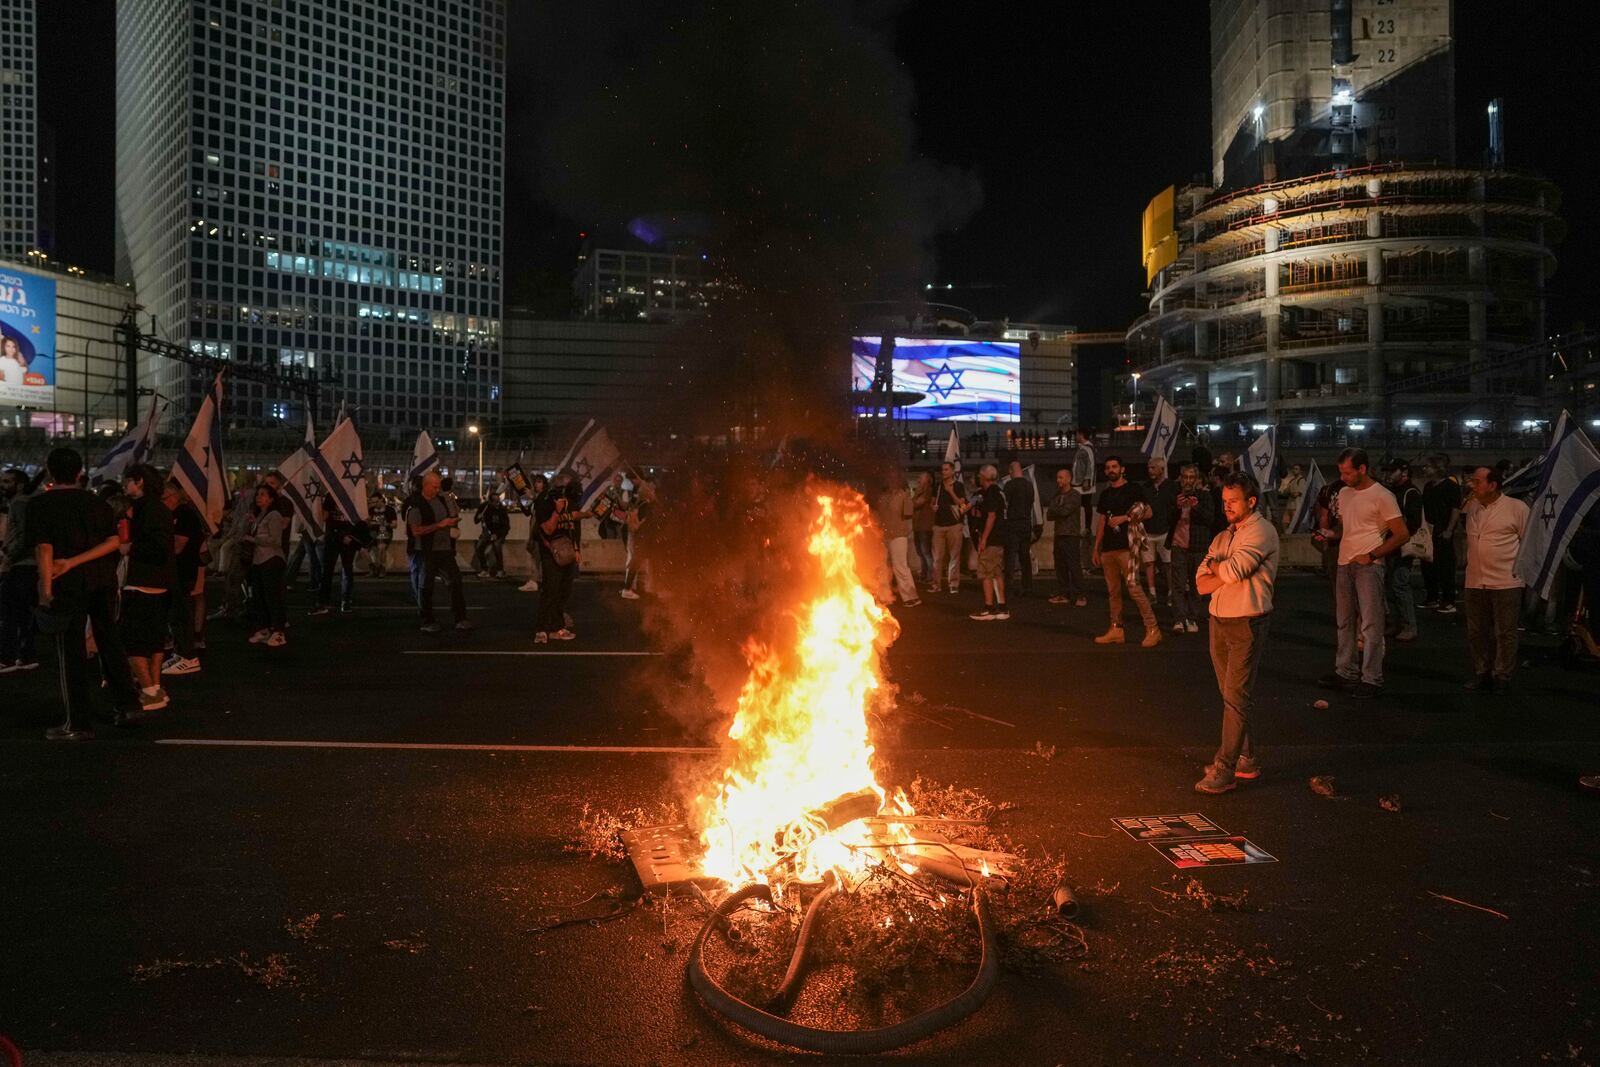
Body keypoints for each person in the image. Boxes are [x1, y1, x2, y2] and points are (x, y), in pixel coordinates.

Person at [26, 447, 142, 736]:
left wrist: (46, 588)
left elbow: (44, 549)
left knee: (71, 651)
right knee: (109, 642)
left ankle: (77, 722)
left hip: (68, 586)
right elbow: (112, 542)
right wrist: (78, 561)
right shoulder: (97, 504)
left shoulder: (41, 505)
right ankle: (127, 705)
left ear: (51, 472)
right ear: (80, 473)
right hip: (102, 581)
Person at [1190, 474, 1279, 793]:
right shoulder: (1224, 536)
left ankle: (1225, 768)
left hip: (1247, 621)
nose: (1226, 506)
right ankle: (1247, 758)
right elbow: (1200, 582)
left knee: (1236, 698)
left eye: (1233, 501)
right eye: (1224, 501)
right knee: (1232, 697)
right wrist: (1220, 570)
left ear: (1251, 501)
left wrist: (1219, 569)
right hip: (1219, 619)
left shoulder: (1262, 532)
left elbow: (1232, 570)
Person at [1319, 448, 1409, 699]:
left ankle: (1371, 677)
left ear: (1362, 469)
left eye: (1347, 472)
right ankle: (1345, 670)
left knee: (1371, 624)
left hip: (1369, 565)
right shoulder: (1345, 494)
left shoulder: (1382, 495)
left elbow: (1401, 533)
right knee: (1344, 620)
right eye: (1341, 472)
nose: (1343, 477)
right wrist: (1331, 534)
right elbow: (1347, 527)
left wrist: (1373, 555)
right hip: (1345, 562)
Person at [1462, 466, 1530, 693]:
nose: (1473, 485)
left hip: (1506, 581)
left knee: (1505, 631)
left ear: (1493, 485)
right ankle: (1482, 672)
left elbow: (1527, 542)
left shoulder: (1516, 508)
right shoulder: (1472, 507)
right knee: (1477, 631)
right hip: (1475, 580)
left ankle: (1502, 675)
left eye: (1477, 481)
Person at [119, 464, 175, 713]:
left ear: (139, 481)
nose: (124, 485)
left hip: (141, 581)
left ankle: (149, 690)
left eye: (127, 480)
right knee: (153, 640)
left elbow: (158, 547)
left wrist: (129, 547)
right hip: (158, 583)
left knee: (133, 640)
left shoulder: (146, 509)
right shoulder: (159, 508)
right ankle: (155, 687)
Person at [1092, 456, 1161, 647]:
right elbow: (1102, 521)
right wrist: (1096, 547)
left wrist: (1125, 518)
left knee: (1134, 589)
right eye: (1108, 467)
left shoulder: (1134, 489)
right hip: (1108, 549)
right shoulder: (1105, 494)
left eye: (1114, 466)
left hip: (1127, 547)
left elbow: (1148, 512)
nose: (1111, 470)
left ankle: (1153, 628)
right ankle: (1116, 629)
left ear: (1122, 469)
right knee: (1113, 592)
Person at [407, 471, 471, 633]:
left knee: (455, 582)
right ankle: (427, 620)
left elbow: (450, 514)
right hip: (426, 551)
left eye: (439, 486)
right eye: (434, 487)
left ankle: (460, 617)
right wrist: (439, 525)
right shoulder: (416, 505)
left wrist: (451, 523)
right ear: (425, 486)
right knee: (426, 587)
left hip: (444, 549)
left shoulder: (441, 499)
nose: (437, 490)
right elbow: (416, 531)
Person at [159, 477, 207, 676]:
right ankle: (181, 652)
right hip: (178, 570)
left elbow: (178, 546)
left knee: (181, 614)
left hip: (183, 570)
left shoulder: (184, 514)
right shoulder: (179, 514)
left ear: (173, 496)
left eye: (163, 498)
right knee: (176, 614)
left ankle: (188, 656)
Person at [0, 466, 41, 673]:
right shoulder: (20, 503)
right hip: (24, 564)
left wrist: (9, 554)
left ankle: (9, 656)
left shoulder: (19, 503)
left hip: (21, 565)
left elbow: (24, 535)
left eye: (8, 481)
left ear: (20, 485)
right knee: (21, 612)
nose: (3, 485)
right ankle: (25, 655)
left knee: (11, 612)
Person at [1167, 463, 1216, 634]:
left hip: (1198, 546)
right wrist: (1176, 508)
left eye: (1191, 477)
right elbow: (1166, 518)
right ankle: (1179, 619)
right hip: (1178, 545)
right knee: (1178, 584)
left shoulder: (1205, 496)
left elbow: (1210, 520)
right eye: (1185, 477)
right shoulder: (1174, 495)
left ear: (1196, 480)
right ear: (1181, 479)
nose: (1188, 481)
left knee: (1196, 585)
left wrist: (1196, 507)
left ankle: (1192, 618)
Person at [241, 483, 289, 647]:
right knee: (260, 597)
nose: (258, 497)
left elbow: (275, 540)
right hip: (259, 561)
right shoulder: (261, 515)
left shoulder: (274, 515)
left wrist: (253, 539)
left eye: (262, 494)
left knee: (272, 596)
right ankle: (265, 628)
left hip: (271, 559)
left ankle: (278, 631)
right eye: (258, 494)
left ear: (271, 499)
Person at [533, 479, 582, 643]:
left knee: (564, 590)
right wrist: (556, 511)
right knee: (550, 590)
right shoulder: (543, 501)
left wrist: (577, 550)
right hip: (550, 553)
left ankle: (556, 626)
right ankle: (541, 629)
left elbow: (575, 526)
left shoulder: (570, 502)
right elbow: (545, 529)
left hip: (567, 552)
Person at [1384, 460, 1424, 642]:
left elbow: (1414, 522)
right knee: (1391, 585)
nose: (1389, 474)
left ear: (1404, 472)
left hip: (1400, 545)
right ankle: (1397, 623)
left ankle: (1409, 625)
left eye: (1393, 471)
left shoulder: (1410, 493)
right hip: (1392, 545)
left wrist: (1399, 536)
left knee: (1399, 585)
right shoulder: (1395, 492)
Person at [1420, 456, 1462, 615]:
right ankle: (1432, 597)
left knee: (1445, 566)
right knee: (1428, 565)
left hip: (1442, 530)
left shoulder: (1450, 486)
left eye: (1428, 466)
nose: (1425, 469)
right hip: (1429, 531)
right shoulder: (1428, 486)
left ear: (1437, 468)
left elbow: (1455, 508)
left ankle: (1449, 600)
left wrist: (1449, 529)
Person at [967, 464, 1008, 621]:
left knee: (985, 573)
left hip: (992, 539)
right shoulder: (998, 492)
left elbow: (991, 516)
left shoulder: (991, 493)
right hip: (1000, 538)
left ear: (984, 476)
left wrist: (983, 539)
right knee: (997, 573)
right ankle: (1002, 607)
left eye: (979, 474)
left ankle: (989, 608)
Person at [312, 493, 365, 615]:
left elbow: (362, 517)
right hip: (335, 537)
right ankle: (340, 601)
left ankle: (336, 601)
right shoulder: (335, 495)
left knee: (340, 570)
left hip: (344, 537)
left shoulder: (351, 495)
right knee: (336, 570)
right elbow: (324, 517)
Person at [874, 475, 920, 608]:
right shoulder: (881, 497)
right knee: (882, 566)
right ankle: (884, 595)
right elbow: (877, 514)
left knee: (900, 566)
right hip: (883, 535)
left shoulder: (903, 496)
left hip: (898, 535)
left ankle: (910, 596)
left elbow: (908, 514)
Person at [1046, 467, 1087, 607]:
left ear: (1069, 479)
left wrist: (1056, 509)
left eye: (1061, 477)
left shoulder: (1074, 495)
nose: (1058, 480)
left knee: (1073, 565)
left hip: (1071, 535)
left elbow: (1064, 511)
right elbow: (1049, 515)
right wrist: (1056, 510)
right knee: (1060, 565)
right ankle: (1064, 593)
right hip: (1059, 534)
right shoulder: (1056, 495)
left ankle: (1080, 594)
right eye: (1057, 477)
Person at [1142, 456, 1178, 606]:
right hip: (1148, 532)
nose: (1150, 471)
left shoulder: (1172, 487)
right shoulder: (1145, 487)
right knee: (1149, 563)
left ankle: (1171, 592)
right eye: (1149, 468)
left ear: (1162, 469)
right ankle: (1152, 592)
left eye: (1153, 468)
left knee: (1168, 564)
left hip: (1165, 531)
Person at [1000, 460, 1036, 597]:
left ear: (1010, 471)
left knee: (1010, 557)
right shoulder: (1029, 485)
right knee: (1024, 557)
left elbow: (1004, 504)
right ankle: (1028, 586)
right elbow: (1031, 504)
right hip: (1026, 524)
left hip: (1012, 525)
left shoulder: (1009, 485)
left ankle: (1009, 587)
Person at [929, 461, 966, 595]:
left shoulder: (958, 486)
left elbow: (961, 504)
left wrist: (951, 491)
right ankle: (936, 584)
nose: (943, 472)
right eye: (942, 470)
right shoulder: (937, 487)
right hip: (938, 525)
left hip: (954, 525)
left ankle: (953, 584)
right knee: (937, 557)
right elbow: (932, 503)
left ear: (952, 471)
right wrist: (933, 507)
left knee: (954, 556)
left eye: (946, 470)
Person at [621, 477, 655, 599]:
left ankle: (631, 587)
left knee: (637, 561)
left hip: (639, 537)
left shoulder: (639, 504)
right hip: (643, 538)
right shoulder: (647, 505)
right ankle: (627, 588)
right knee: (637, 562)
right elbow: (647, 522)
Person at [518, 473, 550, 593]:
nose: (536, 484)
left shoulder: (544, 497)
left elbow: (541, 506)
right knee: (535, 556)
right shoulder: (536, 497)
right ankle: (537, 580)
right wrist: (524, 498)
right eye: (536, 482)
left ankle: (535, 581)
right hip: (534, 530)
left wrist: (532, 498)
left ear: (544, 484)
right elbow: (527, 511)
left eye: (539, 482)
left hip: (540, 532)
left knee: (537, 557)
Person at [473, 491, 511, 578]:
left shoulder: (501, 509)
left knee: (497, 546)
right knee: (479, 547)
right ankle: (484, 569)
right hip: (487, 532)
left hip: (499, 533)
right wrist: (479, 516)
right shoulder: (484, 507)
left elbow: (506, 526)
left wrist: (497, 535)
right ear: (490, 501)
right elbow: (476, 520)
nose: (497, 503)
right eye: (494, 501)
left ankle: (500, 570)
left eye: (498, 501)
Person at [911, 471, 936, 584]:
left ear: (927, 480)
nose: (918, 480)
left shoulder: (927, 492)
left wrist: (916, 494)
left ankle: (931, 576)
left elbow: (915, 504)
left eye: (920, 477)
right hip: (918, 526)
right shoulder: (920, 491)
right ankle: (924, 574)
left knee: (926, 552)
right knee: (921, 552)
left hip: (925, 526)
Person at [1277, 464, 1307, 531]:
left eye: (1297, 469)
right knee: (1285, 521)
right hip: (1289, 505)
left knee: (1294, 523)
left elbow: (1296, 494)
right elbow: (1285, 491)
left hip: (1296, 506)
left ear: (1300, 471)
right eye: (1294, 468)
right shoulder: (1292, 480)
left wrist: (1290, 493)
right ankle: (1287, 534)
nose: (1294, 470)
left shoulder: (1301, 480)